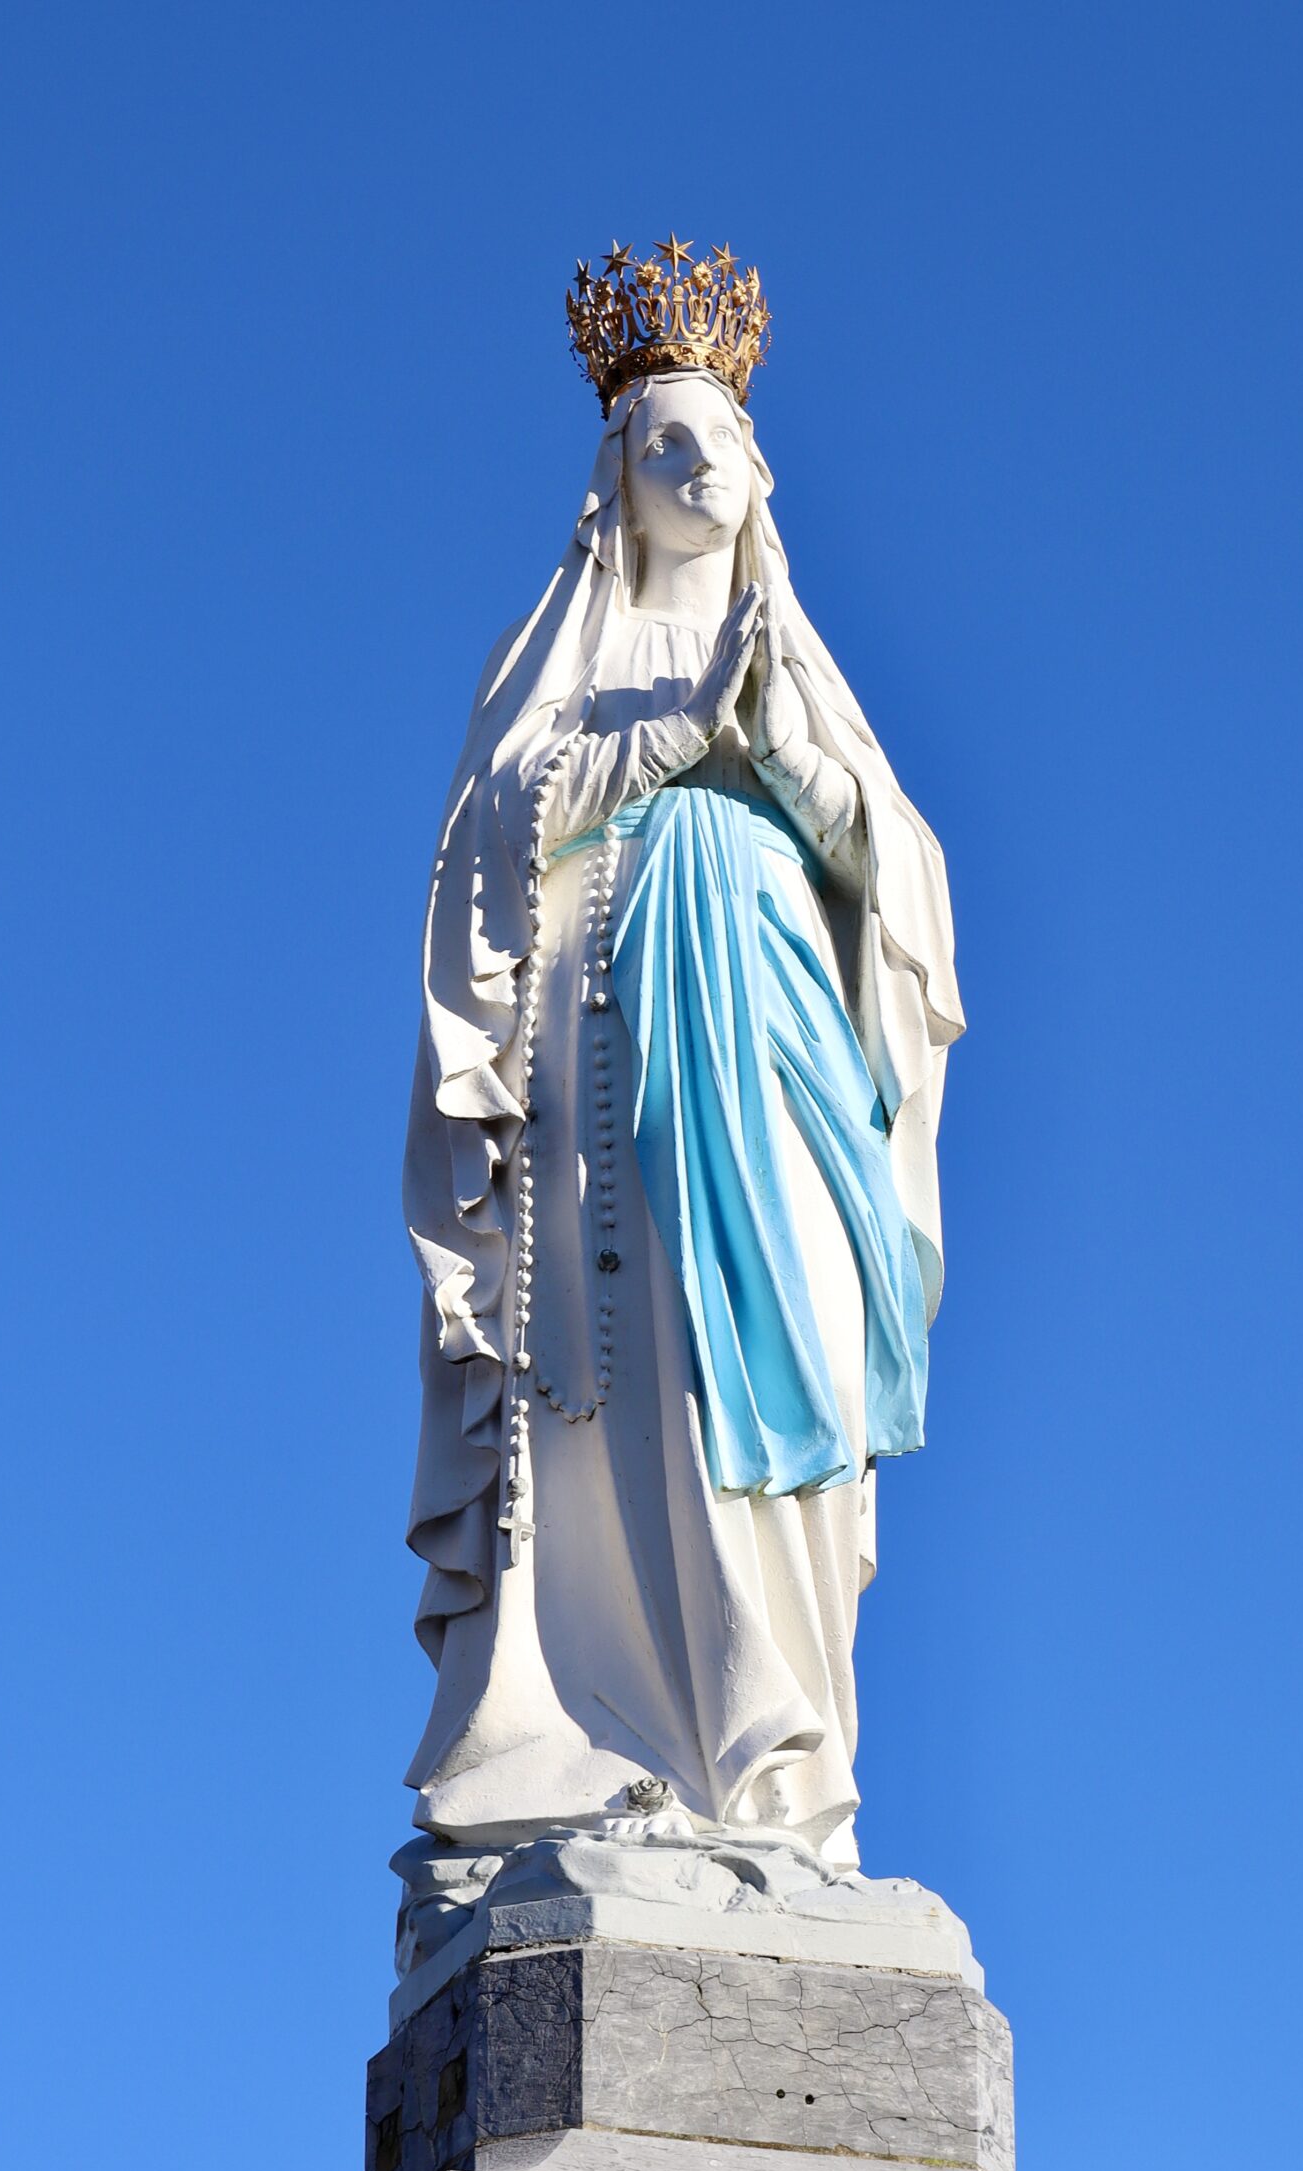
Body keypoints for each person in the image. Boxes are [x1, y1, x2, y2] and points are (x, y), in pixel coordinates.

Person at [403, 347, 962, 1868]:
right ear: (617, 481)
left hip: (769, 1048)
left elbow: (896, 890)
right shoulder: (562, 650)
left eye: (723, 439)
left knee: (779, 1355)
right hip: (600, 1060)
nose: (700, 464)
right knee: (615, 1383)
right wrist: (659, 741)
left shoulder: (800, 663)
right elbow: (488, 844)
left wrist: (774, 745)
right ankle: (608, 1735)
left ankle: (776, 1755)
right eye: (667, 440)